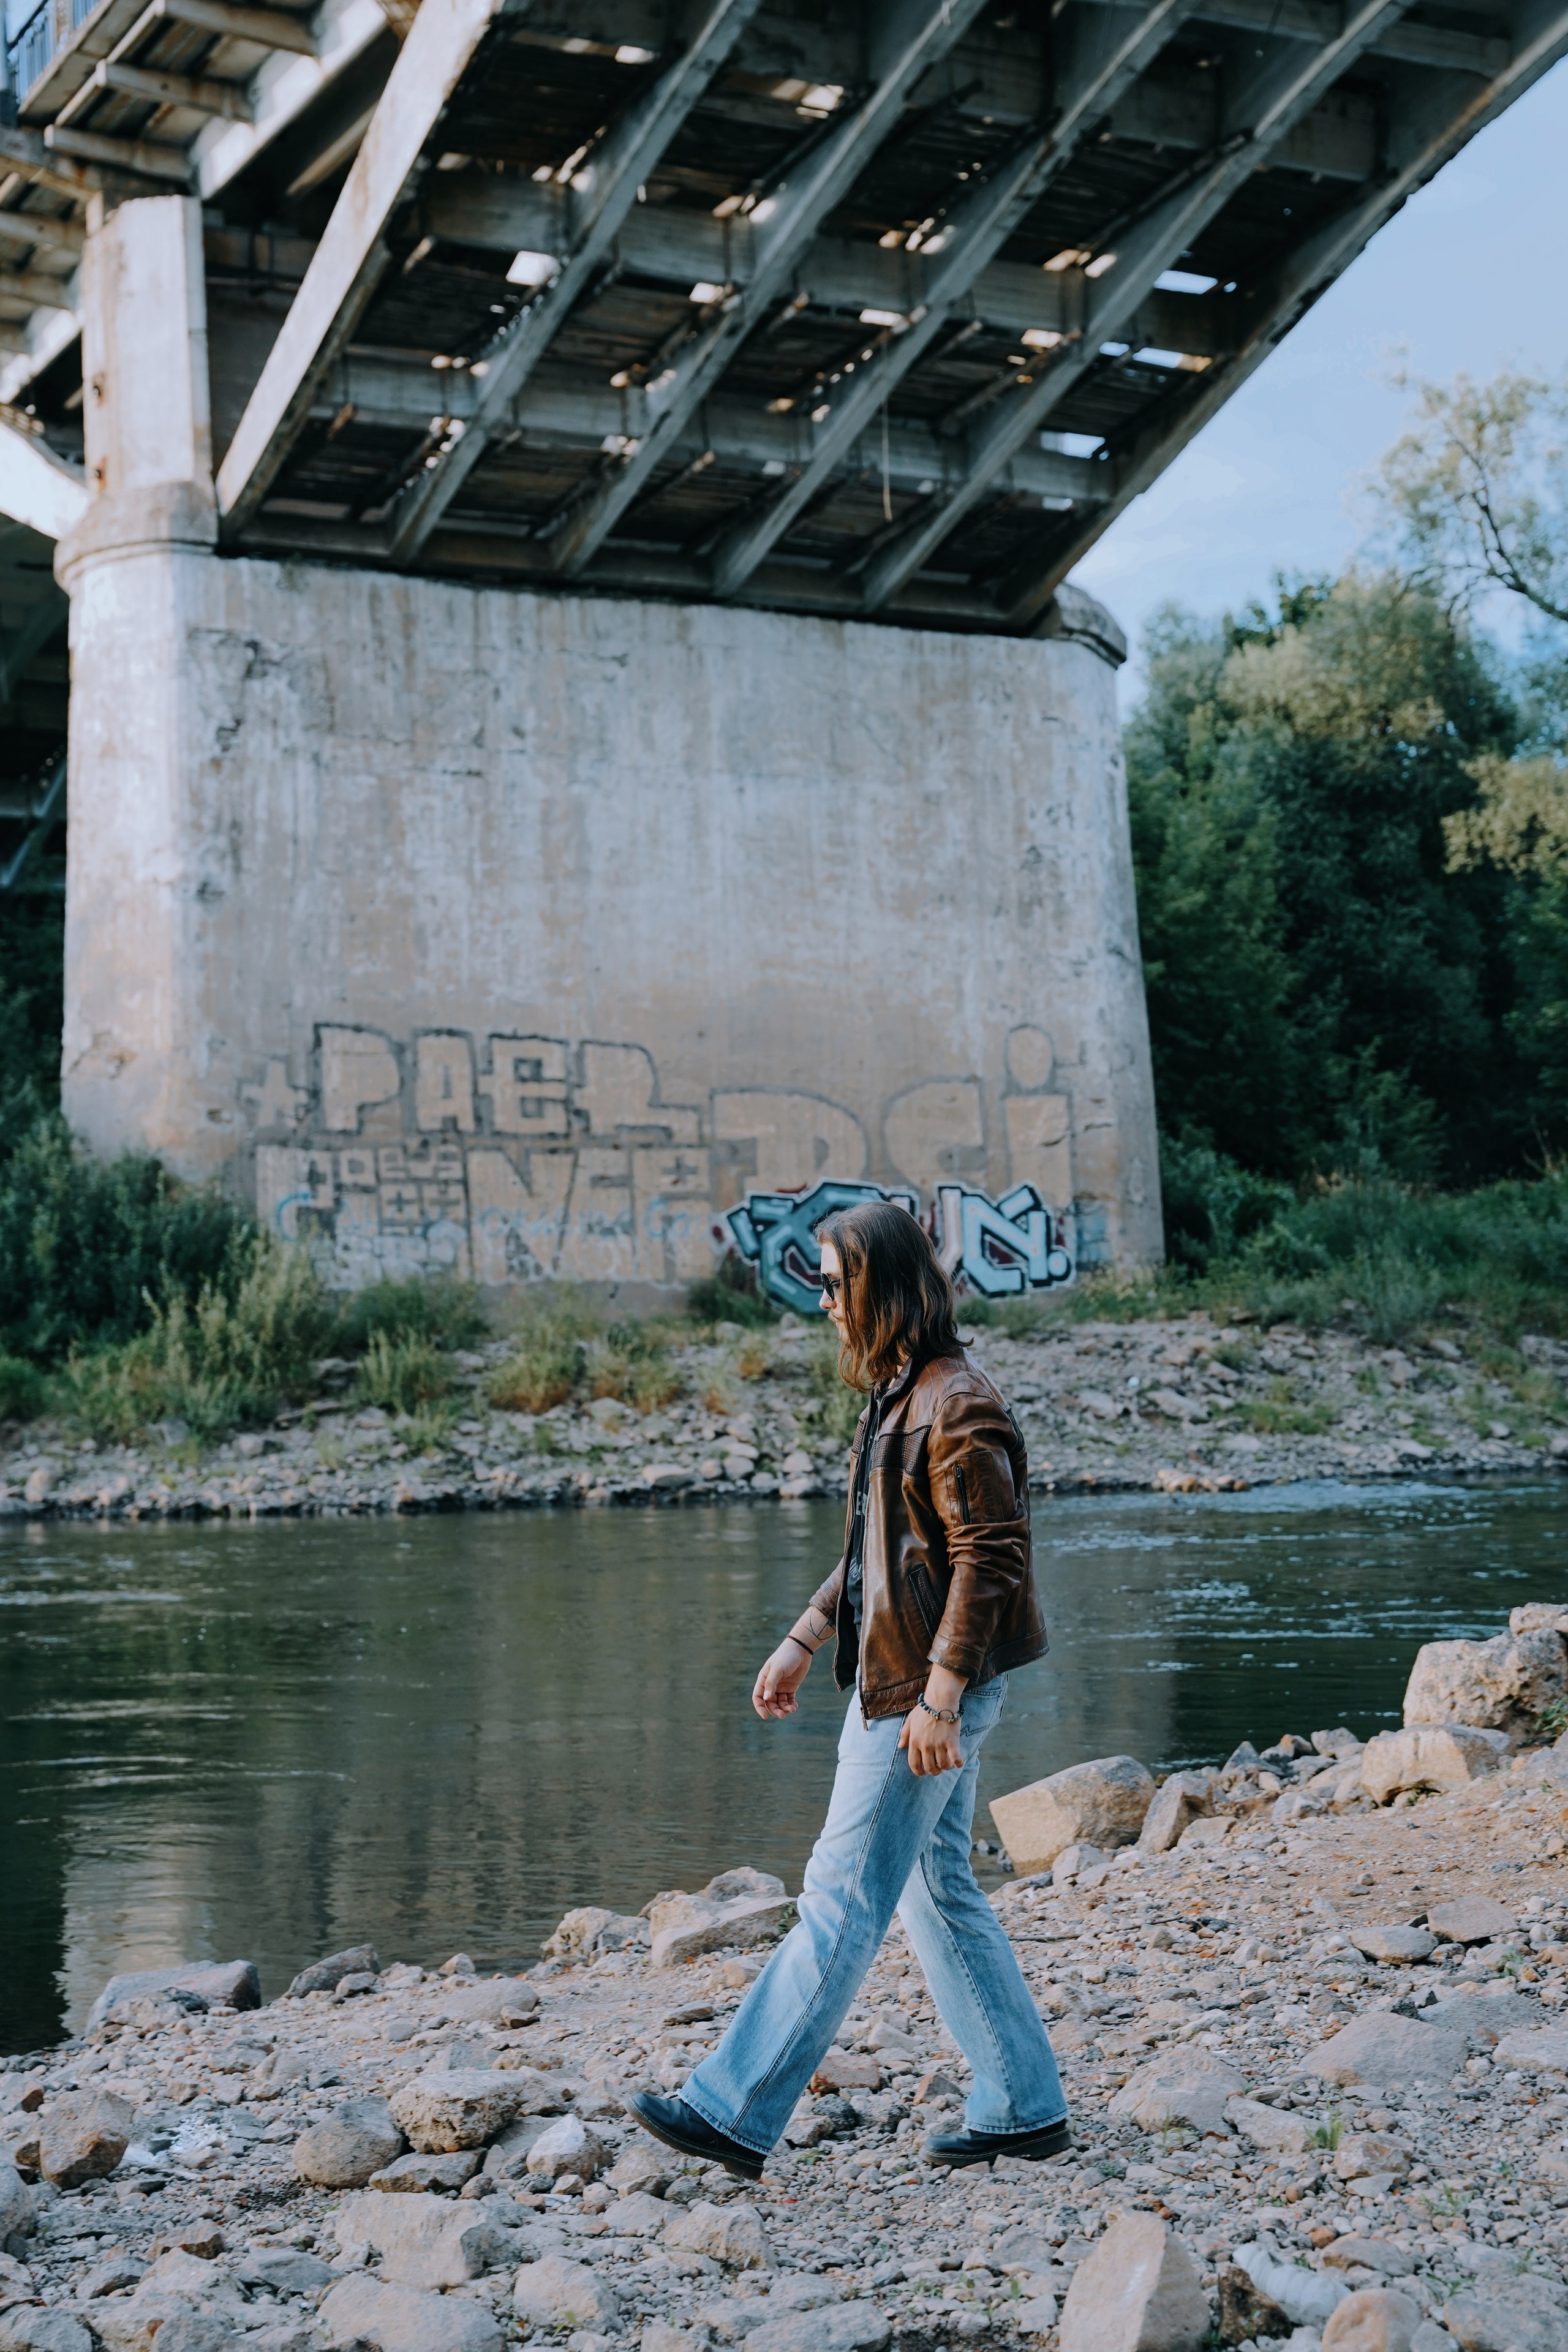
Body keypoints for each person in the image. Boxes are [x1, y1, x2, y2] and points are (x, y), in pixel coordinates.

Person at [629, 1199, 1069, 2183]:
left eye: (834, 1282)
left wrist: (943, 1696)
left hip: (923, 1687)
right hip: (904, 1678)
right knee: (936, 1891)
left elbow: (990, 1560)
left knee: (840, 1897)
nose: (822, 1300)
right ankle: (1024, 2105)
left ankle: (730, 2108)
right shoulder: (900, 1392)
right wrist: (802, 1637)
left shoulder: (958, 1403)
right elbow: (880, 1553)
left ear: (884, 1285)